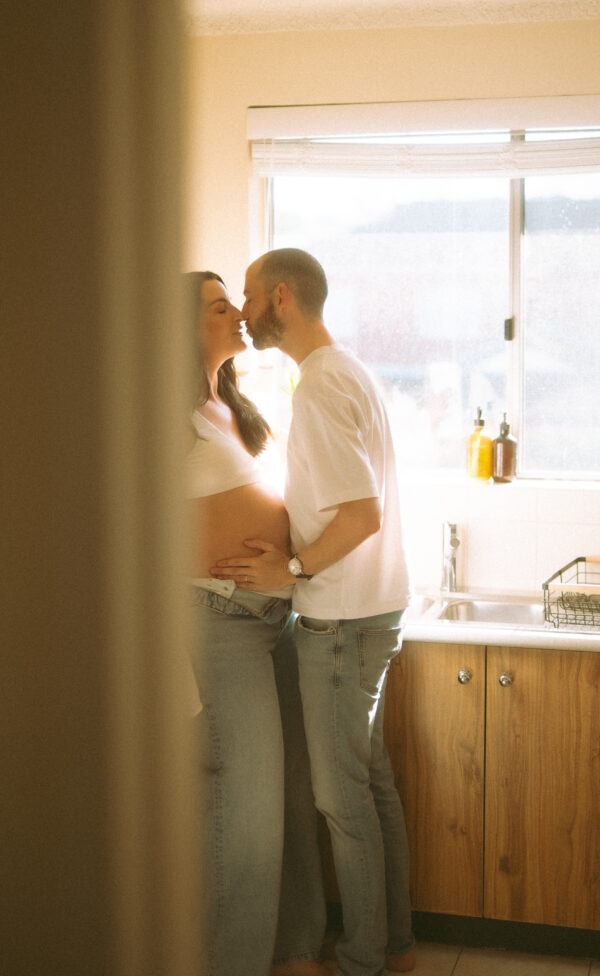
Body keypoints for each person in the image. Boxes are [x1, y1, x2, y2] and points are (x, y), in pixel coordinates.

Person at [211, 249, 416, 976]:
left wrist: (291, 568)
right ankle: (396, 946)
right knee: (371, 782)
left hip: (340, 621)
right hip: (374, 609)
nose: (241, 310)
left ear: (280, 297)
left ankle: (363, 960)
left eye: (246, 296)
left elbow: (360, 514)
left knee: (341, 800)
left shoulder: (322, 386)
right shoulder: (344, 371)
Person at [184, 270, 328, 976]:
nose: (238, 314)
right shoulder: (158, 410)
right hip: (218, 618)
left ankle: (293, 951)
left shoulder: (228, 405)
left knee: (292, 798)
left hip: (274, 616)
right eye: (219, 306)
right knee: (246, 812)